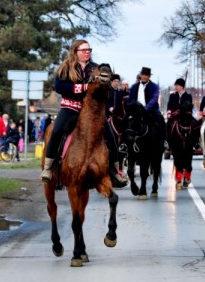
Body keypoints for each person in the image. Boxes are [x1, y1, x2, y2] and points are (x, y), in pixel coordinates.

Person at [40, 40, 128, 187]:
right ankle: (48, 168)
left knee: (111, 135)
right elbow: (59, 86)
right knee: (56, 131)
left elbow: (105, 88)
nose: (87, 52)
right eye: (84, 50)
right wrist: (83, 87)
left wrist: (106, 83)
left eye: (89, 50)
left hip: (92, 112)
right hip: (70, 107)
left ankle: (115, 172)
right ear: (75, 51)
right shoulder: (66, 67)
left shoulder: (95, 68)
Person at [126, 66, 166, 148]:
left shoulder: (154, 87)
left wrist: (145, 109)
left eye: (146, 75)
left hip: (150, 111)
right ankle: (124, 143)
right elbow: (130, 100)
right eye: (143, 74)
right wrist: (133, 107)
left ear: (149, 76)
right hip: (136, 112)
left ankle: (164, 141)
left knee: (161, 120)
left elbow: (154, 100)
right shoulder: (134, 87)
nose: (144, 76)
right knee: (125, 120)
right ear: (140, 75)